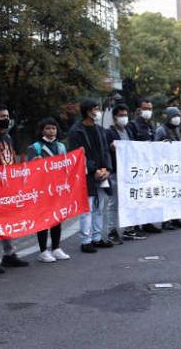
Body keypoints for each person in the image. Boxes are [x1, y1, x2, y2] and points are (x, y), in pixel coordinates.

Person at [0, 105, 30, 273]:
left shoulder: (8, 136)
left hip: (7, 185)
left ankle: (9, 254)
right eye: (2, 116)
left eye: (7, 116)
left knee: (9, 220)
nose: (6, 119)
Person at [68, 100, 113, 253]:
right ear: (88, 112)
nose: (98, 112)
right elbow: (77, 155)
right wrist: (94, 170)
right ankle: (86, 241)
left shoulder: (100, 129)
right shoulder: (76, 131)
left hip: (102, 173)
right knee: (87, 208)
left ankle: (97, 237)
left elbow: (105, 151)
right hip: (86, 174)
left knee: (100, 207)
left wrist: (107, 169)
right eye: (96, 109)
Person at [27, 118, 72, 262]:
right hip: (41, 188)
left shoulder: (61, 146)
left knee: (57, 218)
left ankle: (56, 248)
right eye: (47, 128)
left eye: (53, 128)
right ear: (42, 131)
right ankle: (43, 251)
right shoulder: (35, 147)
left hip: (57, 188)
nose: (51, 131)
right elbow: (29, 168)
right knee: (43, 220)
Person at [105, 104, 146, 242]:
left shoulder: (129, 130)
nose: (124, 118)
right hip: (116, 171)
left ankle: (129, 229)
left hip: (129, 171)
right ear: (114, 117)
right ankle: (111, 231)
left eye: (125, 115)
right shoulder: (109, 132)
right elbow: (105, 150)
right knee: (114, 203)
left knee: (130, 200)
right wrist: (111, 147)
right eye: (121, 115)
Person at [127, 99, 161, 236]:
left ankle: (147, 222)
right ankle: (135, 226)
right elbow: (129, 145)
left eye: (150, 109)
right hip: (137, 167)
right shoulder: (132, 125)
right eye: (145, 108)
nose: (148, 111)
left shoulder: (150, 125)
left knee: (148, 195)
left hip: (149, 166)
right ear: (139, 110)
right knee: (137, 196)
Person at [154, 106, 181, 230]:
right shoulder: (161, 130)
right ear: (168, 117)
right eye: (174, 116)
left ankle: (175, 218)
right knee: (166, 194)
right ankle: (166, 220)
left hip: (176, 166)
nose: (177, 119)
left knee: (175, 193)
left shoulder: (177, 129)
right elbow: (154, 147)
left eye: (178, 116)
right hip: (165, 167)